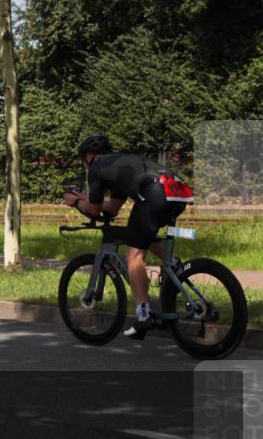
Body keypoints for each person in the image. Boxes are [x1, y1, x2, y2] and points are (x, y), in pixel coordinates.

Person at [63, 136, 192, 340]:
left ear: (89, 156)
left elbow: (95, 211)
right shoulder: (119, 165)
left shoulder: (97, 169)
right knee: (141, 236)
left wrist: (75, 202)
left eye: (83, 158)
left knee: (134, 256)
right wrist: (85, 200)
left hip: (154, 193)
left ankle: (143, 316)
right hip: (178, 192)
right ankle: (174, 266)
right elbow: (112, 208)